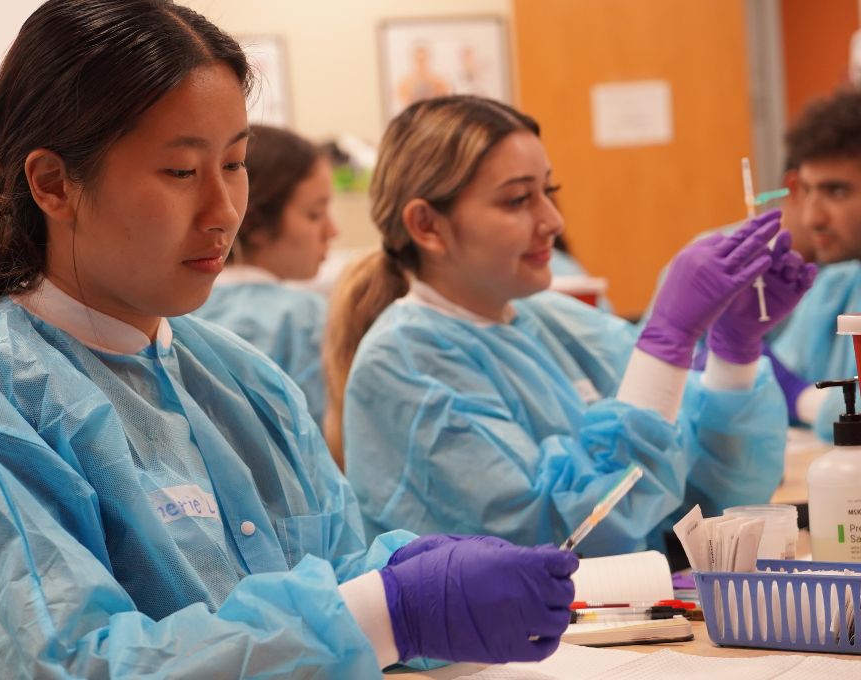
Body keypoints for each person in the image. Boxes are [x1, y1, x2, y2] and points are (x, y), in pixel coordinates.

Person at [0, 3, 580, 677]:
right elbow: (74, 665)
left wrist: (415, 582)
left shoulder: (243, 382)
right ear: (54, 184)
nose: (224, 209)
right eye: (180, 171)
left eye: (234, 164)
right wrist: (383, 613)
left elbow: (333, 579)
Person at [326, 95, 815, 554]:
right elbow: (566, 540)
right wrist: (667, 340)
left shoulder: (558, 322)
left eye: (548, 191)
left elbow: (706, 498)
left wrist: (734, 352)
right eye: (518, 200)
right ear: (427, 226)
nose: (553, 220)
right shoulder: (402, 365)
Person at [194, 125, 335, 427]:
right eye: (314, 214)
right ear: (255, 224)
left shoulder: (175, 312)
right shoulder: (306, 319)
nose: (332, 231)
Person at [767, 89, 861, 438]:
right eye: (808, 191)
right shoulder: (835, 283)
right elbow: (775, 380)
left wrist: (803, 398)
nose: (811, 218)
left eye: (836, 192)